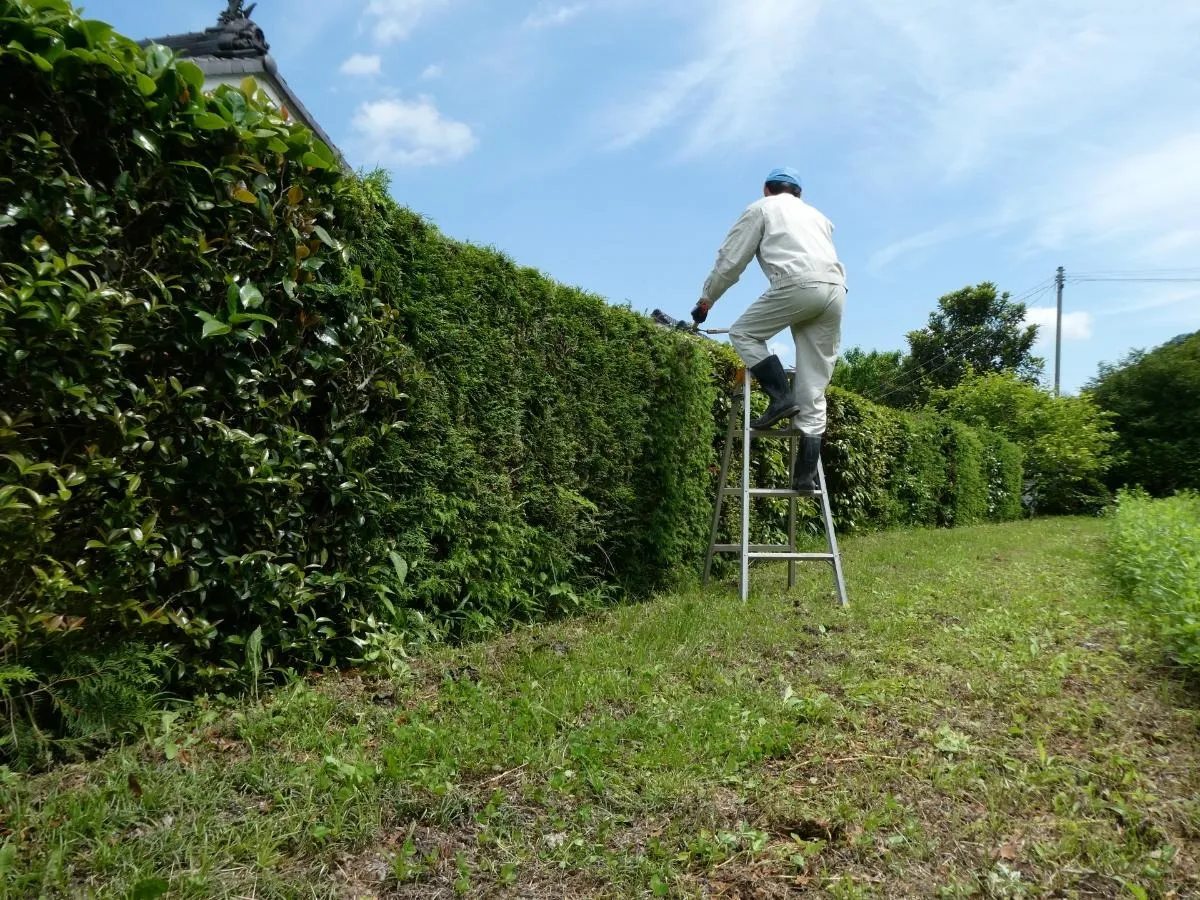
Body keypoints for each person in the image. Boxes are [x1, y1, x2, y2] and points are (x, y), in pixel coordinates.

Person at [691, 167, 846, 492]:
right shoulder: (819, 217)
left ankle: (779, 399)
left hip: (798, 283)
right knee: (814, 381)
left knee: (744, 333)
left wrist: (707, 299)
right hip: (835, 291)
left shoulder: (762, 208)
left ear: (766, 190)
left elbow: (731, 261)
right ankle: (804, 476)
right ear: (798, 194)